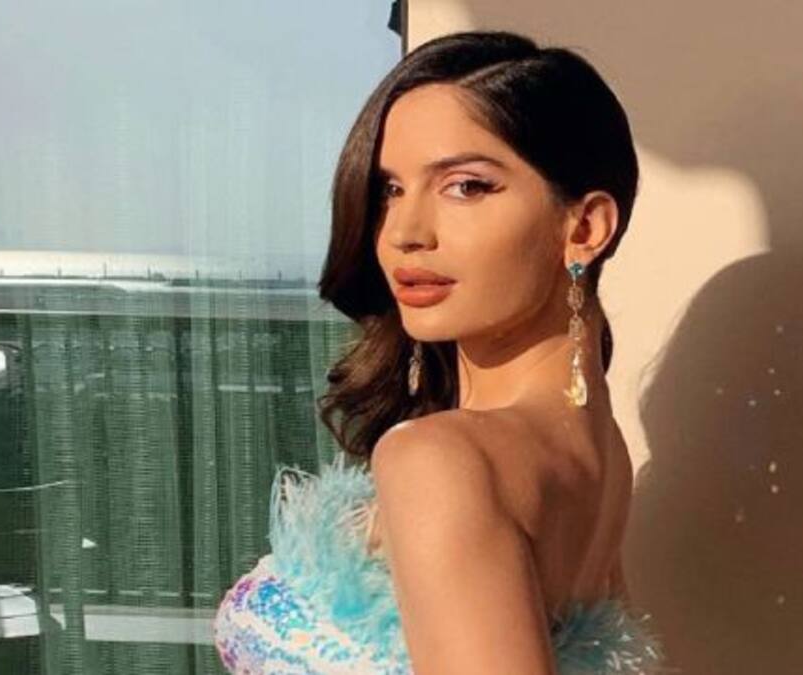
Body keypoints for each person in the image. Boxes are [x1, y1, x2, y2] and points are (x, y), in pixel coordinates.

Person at [214, 29, 667, 674]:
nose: (404, 232)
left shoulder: (444, 459)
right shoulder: (600, 455)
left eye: (466, 186)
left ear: (585, 227)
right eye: (391, 190)